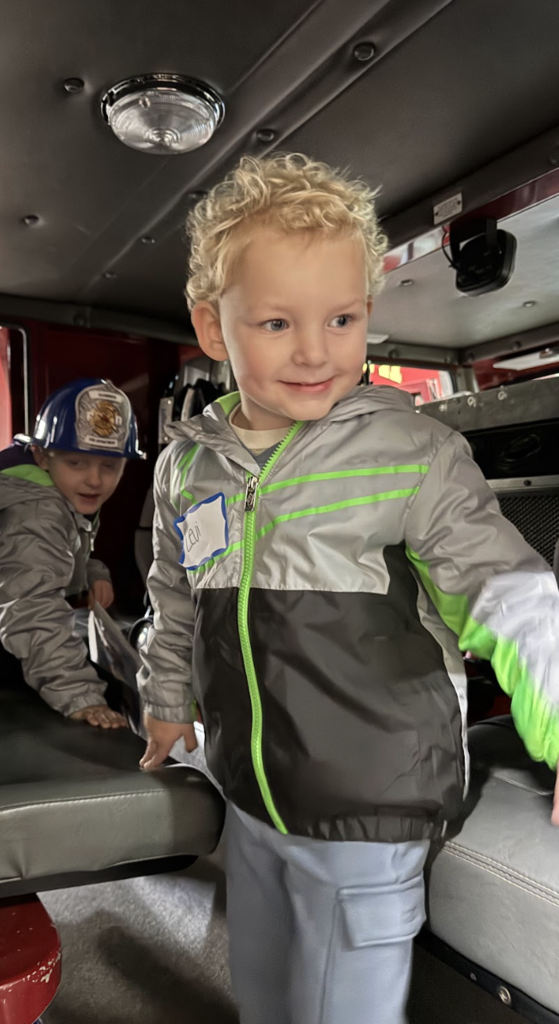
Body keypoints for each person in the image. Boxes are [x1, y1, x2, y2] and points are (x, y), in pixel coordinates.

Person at [137, 154, 559, 1024]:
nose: (314, 350)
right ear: (213, 329)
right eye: (276, 322)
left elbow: (508, 591)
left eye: (341, 318)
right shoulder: (186, 465)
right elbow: (174, 596)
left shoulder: (410, 451)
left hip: (371, 798)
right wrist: (167, 696)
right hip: (251, 786)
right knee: (261, 987)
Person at [0, 377, 143, 729]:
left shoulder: (49, 497)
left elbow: (56, 555)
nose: (94, 479)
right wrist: (81, 698)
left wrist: (93, 573)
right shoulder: (35, 514)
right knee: (109, 693)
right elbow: (32, 613)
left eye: (109, 466)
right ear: (42, 457)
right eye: (77, 463)